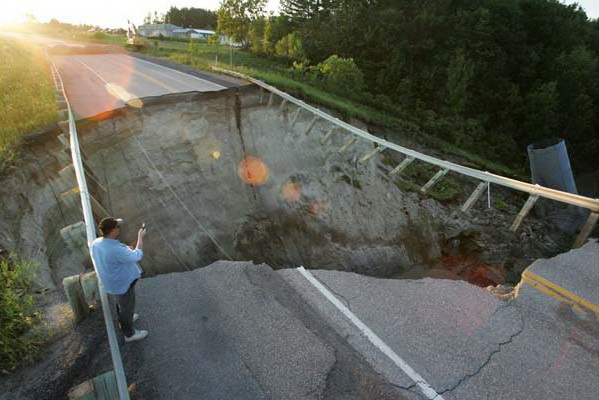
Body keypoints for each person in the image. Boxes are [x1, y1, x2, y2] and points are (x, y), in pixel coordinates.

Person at [90, 217, 148, 343]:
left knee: (120, 304)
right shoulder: (115, 250)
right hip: (123, 283)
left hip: (112, 282)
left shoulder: (97, 242)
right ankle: (130, 334)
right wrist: (140, 237)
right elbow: (137, 255)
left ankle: (124, 321)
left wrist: (124, 250)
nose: (119, 228)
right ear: (112, 231)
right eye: (117, 227)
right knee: (127, 306)